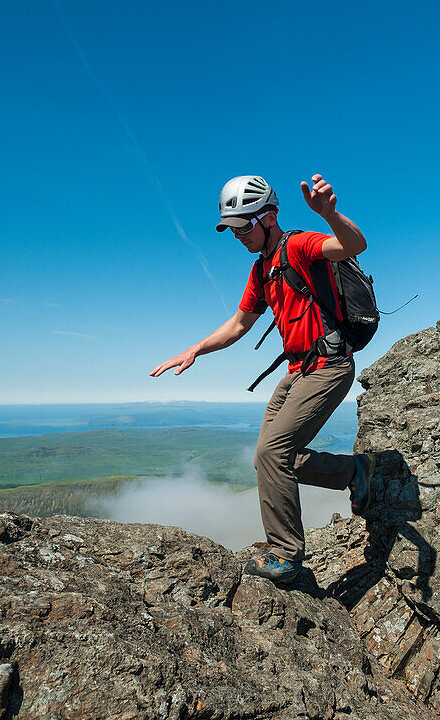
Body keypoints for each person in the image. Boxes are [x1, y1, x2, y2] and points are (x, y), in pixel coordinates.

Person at [150, 174, 373, 585]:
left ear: (269, 217)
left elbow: (353, 245)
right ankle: (354, 472)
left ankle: (286, 554)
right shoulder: (261, 271)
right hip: (297, 371)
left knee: (273, 454)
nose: (236, 236)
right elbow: (238, 325)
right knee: (266, 460)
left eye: (242, 225)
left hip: (329, 366)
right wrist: (195, 349)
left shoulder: (300, 245)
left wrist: (330, 215)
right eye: (231, 229)